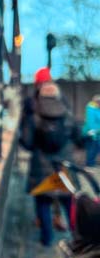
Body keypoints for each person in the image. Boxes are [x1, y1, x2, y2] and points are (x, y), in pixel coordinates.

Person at [19, 80, 84, 246]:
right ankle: (77, 239)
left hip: (41, 170)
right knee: (68, 203)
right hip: (64, 168)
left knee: (43, 204)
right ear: (58, 95)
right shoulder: (68, 115)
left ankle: (46, 240)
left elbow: (27, 143)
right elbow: (79, 139)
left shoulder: (34, 116)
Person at [86, 95, 100, 167]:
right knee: (93, 148)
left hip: (97, 132)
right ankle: (90, 163)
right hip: (93, 133)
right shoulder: (91, 109)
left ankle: (91, 162)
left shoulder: (97, 109)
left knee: (96, 148)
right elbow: (91, 122)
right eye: (98, 102)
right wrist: (94, 132)